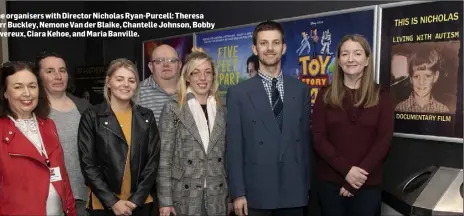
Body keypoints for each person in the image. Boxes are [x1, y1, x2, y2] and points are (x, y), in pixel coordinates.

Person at [226, 20, 311, 216]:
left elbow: (305, 143)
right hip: (256, 192)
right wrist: (238, 193)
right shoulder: (238, 93)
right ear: (255, 49)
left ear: (284, 48)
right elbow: (234, 148)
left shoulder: (300, 90)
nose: (270, 48)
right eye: (263, 43)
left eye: (275, 42)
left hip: (293, 190)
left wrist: (306, 186)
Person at [312, 34, 393, 216]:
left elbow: (384, 141)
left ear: (366, 60)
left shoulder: (382, 95)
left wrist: (356, 178)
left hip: (367, 185)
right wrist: (346, 171)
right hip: (331, 184)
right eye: (345, 54)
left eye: (357, 53)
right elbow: (319, 138)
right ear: (339, 61)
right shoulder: (324, 95)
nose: (350, 59)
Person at [0, 61, 76, 216]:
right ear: (5, 93)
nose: (27, 93)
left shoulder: (48, 125)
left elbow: (62, 174)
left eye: (32, 86)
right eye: (18, 87)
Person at [78, 58, 160, 216]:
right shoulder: (92, 116)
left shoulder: (146, 116)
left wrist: (136, 200)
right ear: (108, 82)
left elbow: (153, 162)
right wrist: (112, 202)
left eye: (131, 80)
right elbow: (88, 165)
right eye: (119, 79)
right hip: (103, 204)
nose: (126, 84)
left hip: (141, 204)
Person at [157, 47, 230, 216]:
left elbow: (227, 157)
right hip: (184, 194)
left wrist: (231, 197)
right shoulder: (173, 107)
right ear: (187, 77)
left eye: (207, 72)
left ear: (213, 76)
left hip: (216, 194)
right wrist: (165, 201)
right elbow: (164, 159)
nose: (202, 78)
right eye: (196, 72)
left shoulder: (222, 108)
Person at [36, 51, 91, 216]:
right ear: (39, 77)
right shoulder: (33, 111)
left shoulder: (84, 107)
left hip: (83, 197)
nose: (58, 76)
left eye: (62, 70)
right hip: (48, 198)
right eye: (50, 71)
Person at [395, 48, 450, 113]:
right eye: (416, 76)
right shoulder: (400, 108)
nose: (421, 82)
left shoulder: (443, 110)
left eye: (427, 76)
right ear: (410, 78)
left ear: (435, 76)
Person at [139, 44, 182, 126]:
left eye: (172, 60)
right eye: (159, 61)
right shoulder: (136, 93)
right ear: (151, 67)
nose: (166, 64)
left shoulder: (191, 90)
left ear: (179, 65)